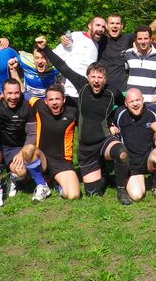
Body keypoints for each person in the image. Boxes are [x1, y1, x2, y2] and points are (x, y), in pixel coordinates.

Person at [38, 37, 132, 205]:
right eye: (93, 76)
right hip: (86, 148)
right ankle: (104, 177)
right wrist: (45, 49)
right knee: (93, 193)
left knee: (122, 153)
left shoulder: (113, 92)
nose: (96, 80)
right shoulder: (81, 86)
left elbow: (122, 106)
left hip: (104, 139)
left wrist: (112, 122)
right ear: (88, 77)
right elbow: (63, 67)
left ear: (105, 79)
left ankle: (121, 190)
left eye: (100, 77)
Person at [0, 78, 51, 207]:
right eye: (9, 93)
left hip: (13, 148)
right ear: (2, 93)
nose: (13, 97)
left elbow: (31, 134)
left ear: (20, 93)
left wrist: (21, 152)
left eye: (16, 93)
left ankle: (12, 178)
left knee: (21, 172)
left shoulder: (27, 108)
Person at [97, 0, 156, 93]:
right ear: (106, 25)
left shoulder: (127, 39)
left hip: (122, 92)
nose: (115, 26)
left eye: (117, 24)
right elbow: (86, 36)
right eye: (112, 23)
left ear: (122, 26)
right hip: (102, 89)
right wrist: (69, 39)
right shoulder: (100, 39)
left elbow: (149, 30)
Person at [112, 89, 156, 201]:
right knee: (137, 196)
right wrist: (111, 128)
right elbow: (109, 123)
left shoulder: (154, 115)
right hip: (131, 163)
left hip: (148, 159)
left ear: (143, 100)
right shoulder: (120, 113)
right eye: (131, 101)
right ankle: (136, 178)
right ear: (126, 104)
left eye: (138, 100)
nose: (135, 104)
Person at [30, 83, 80, 200]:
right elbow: (23, 92)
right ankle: (42, 184)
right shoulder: (39, 105)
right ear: (46, 101)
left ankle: (57, 185)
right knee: (28, 150)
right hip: (42, 158)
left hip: (62, 162)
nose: (54, 102)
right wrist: (13, 71)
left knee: (73, 196)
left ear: (64, 100)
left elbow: (89, 125)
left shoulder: (73, 113)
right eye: (51, 99)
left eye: (57, 98)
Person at [52, 16, 107, 101]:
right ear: (89, 26)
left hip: (85, 93)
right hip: (68, 93)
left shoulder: (97, 45)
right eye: (98, 25)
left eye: (103, 27)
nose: (101, 29)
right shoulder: (76, 36)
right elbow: (56, 56)